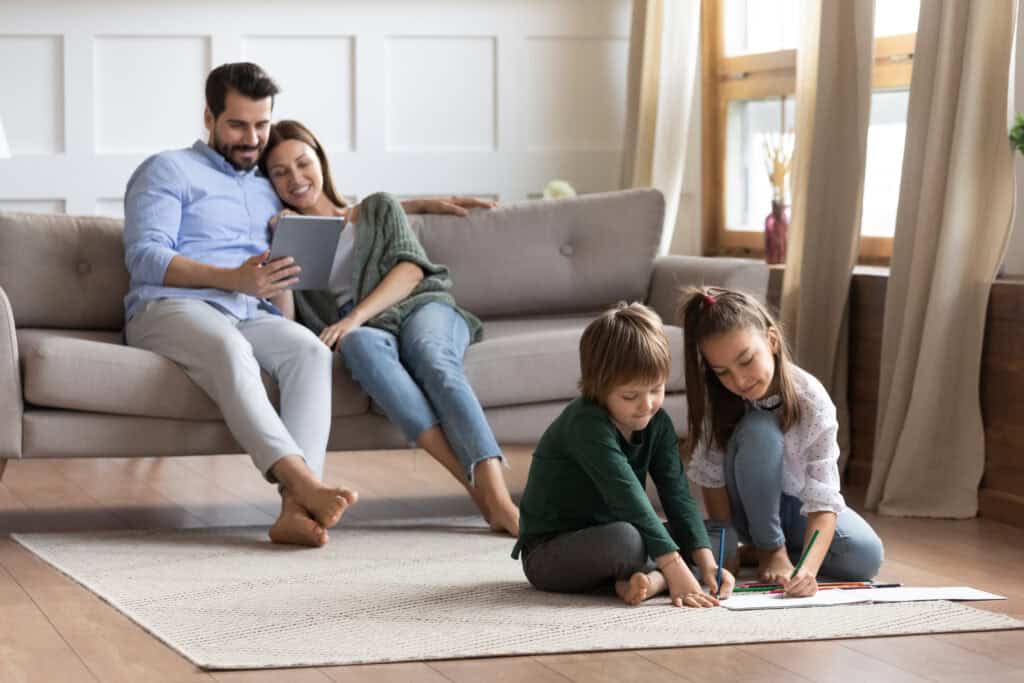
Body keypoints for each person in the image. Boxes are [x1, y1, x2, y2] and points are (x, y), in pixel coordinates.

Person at [122, 62, 357, 548]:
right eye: (238, 124)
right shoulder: (167, 169)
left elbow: (344, 208)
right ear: (209, 117)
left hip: (251, 310)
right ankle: (303, 484)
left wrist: (427, 204)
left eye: (262, 124)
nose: (252, 138)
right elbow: (145, 257)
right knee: (229, 350)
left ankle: (295, 513)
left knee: (311, 352)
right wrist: (233, 278)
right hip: (170, 307)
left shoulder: (265, 183)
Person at [259, 120, 520, 536]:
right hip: (367, 333)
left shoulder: (378, 207)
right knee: (358, 346)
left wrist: (351, 318)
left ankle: (499, 498)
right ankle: (474, 488)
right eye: (279, 172)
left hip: (420, 306)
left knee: (432, 357)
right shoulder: (293, 238)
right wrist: (284, 248)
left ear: (321, 163)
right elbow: (289, 323)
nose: (296, 178)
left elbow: (411, 270)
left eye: (303, 163)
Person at [511, 303, 734, 607]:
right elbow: (629, 498)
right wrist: (673, 564)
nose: (647, 405)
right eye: (631, 396)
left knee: (719, 538)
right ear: (599, 388)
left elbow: (678, 495)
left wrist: (706, 561)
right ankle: (662, 575)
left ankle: (648, 582)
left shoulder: (658, 423)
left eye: (656, 389)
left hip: (628, 528)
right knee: (627, 542)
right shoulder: (586, 424)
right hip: (552, 552)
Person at [679, 286, 884, 597]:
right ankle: (769, 549)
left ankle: (777, 552)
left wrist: (808, 571)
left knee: (865, 556)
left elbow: (822, 495)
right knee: (760, 429)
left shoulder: (812, 400)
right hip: (745, 509)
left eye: (746, 361)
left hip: (795, 508)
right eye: (723, 372)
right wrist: (727, 539)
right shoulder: (720, 399)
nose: (739, 381)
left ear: (772, 341)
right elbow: (713, 477)